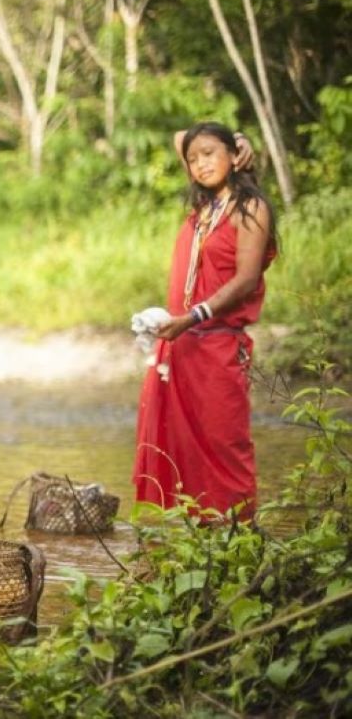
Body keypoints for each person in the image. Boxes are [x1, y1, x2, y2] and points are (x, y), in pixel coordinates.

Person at [132, 122, 277, 522]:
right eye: (193, 160)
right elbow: (180, 136)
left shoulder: (250, 207)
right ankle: (196, 544)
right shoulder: (205, 206)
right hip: (180, 347)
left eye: (211, 154)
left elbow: (247, 280)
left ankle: (239, 542)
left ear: (233, 156)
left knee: (226, 446)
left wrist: (241, 140)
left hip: (217, 345)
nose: (199, 164)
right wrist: (229, 144)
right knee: (181, 449)